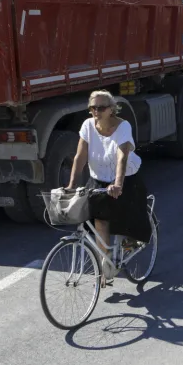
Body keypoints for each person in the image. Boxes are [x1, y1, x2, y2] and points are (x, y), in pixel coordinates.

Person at [67, 90, 152, 281]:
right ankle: (106, 268)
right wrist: (71, 185)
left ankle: (130, 242)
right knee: (100, 219)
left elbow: (122, 156)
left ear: (111, 109)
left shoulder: (123, 126)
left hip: (125, 178)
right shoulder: (88, 125)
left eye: (101, 107)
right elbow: (80, 157)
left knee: (127, 218)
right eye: (93, 107)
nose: (96, 111)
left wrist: (118, 184)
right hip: (99, 177)